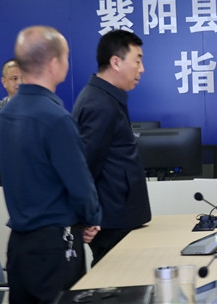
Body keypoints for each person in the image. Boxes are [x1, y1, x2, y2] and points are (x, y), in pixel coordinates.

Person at [0, 26, 102, 303]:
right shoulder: (56, 118)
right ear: (54, 64)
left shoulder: (6, 115)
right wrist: (91, 219)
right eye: (66, 56)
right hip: (54, 250)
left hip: (19, 247)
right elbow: (80, 186)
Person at [72, 29, 151, 266]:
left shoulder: (106, 97)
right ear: (116, 62)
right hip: (111, 222)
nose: (141, 69)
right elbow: (85, 166)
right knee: (113, 282)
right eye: (137, 61)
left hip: (118, 217)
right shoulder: (99, 104)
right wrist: (87, 217)